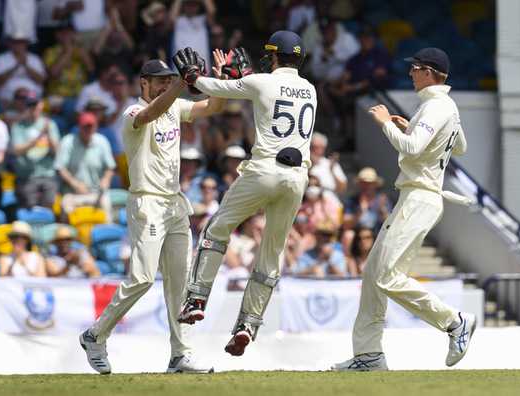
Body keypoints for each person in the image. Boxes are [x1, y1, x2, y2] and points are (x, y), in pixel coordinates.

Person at [79, 54, 227, 374]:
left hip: (175, 203)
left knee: (180, 283)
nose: (164, 84)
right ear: (143, 82)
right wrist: (179, 85)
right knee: (143, 278)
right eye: (159, 80)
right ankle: (95, 335)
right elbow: (151, 112)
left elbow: (212, 108)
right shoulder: (132, 112)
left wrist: (220, 80)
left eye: (168, 79)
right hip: (146, 203)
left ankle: (181, 354)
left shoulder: (174, 104)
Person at [332, 48, 475, 372]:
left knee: (386, 276)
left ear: (428, 72)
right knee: (372, 273)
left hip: (420, 199)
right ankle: (368, 356)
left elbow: (411, 147)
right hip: (415, 198)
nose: (410, 73)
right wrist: (412, 124)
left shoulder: (437, 106)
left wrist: (386, 124)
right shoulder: (441, 107)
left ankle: (455, 322)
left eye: (414, 69)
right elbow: (460, 146)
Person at [176, 31, 316, 357]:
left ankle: (196, 298)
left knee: (217, 228)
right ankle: (249, 324)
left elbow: (214, 89)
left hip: (264, 170)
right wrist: (243, 77)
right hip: (297, 179)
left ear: (274, 56)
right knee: (271, 251)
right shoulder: (309, 89)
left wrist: (194, 76)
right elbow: (261, 90)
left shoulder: (263, 81)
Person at [55, 111, 116, 222]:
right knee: (65, 207)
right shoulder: (68, 142)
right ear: (79, 127)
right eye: (85, 127)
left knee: (107, 209)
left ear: (96, 126)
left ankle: (106, 235)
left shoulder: (102, 141)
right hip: (73, 193)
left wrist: (106, 180)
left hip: (96, 193)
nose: (88, 130)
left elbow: (110, 167)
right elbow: (60, 168)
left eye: (91, 126)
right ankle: (69, 238)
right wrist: (75, 183)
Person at [9, 91, 60, 209]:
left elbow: (57, 152)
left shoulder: (50, 124)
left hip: (47, 174)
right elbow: (17, 150)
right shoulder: (19, 126)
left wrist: (49, 136)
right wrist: (38, 138)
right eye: (30, 105)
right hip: (27, 177)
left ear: (41, 104)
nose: (33, 108)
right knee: (30, 211)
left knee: (49, 209)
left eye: (35, 104)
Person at [343, 167, 390, 232]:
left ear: (375, 184)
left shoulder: (383, 200)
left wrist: (382, 209)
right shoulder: (352, 201)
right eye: (363, 183)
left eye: (369, 183)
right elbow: (346, 224)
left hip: (378, 235)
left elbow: (391, 224)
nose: (366, 186)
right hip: (358, 236)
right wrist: (359, 212)